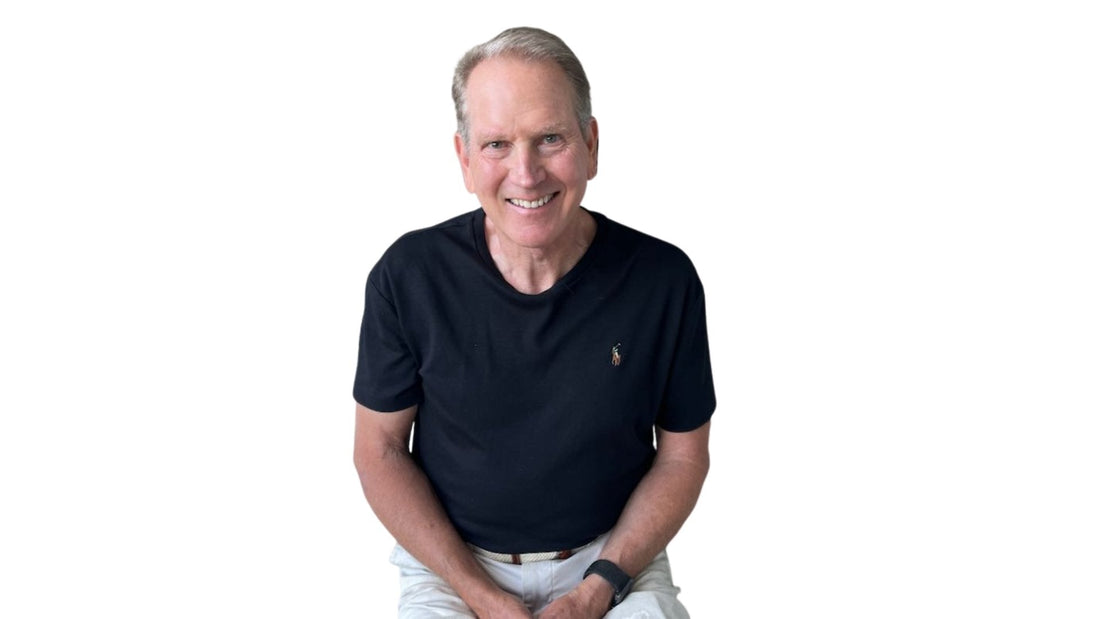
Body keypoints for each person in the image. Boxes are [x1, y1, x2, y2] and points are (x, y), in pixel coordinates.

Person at [353, 26, 716, 618]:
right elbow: (379, 452)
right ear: (464, 159)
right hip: (453, 564)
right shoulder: (408, 277)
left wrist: (596, 590)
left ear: (592, 144)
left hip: (614, 556)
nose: (526, 173)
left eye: (550, 138)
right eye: (496, 144)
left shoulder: (663, 279)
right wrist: (480, 596)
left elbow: (682, 456)